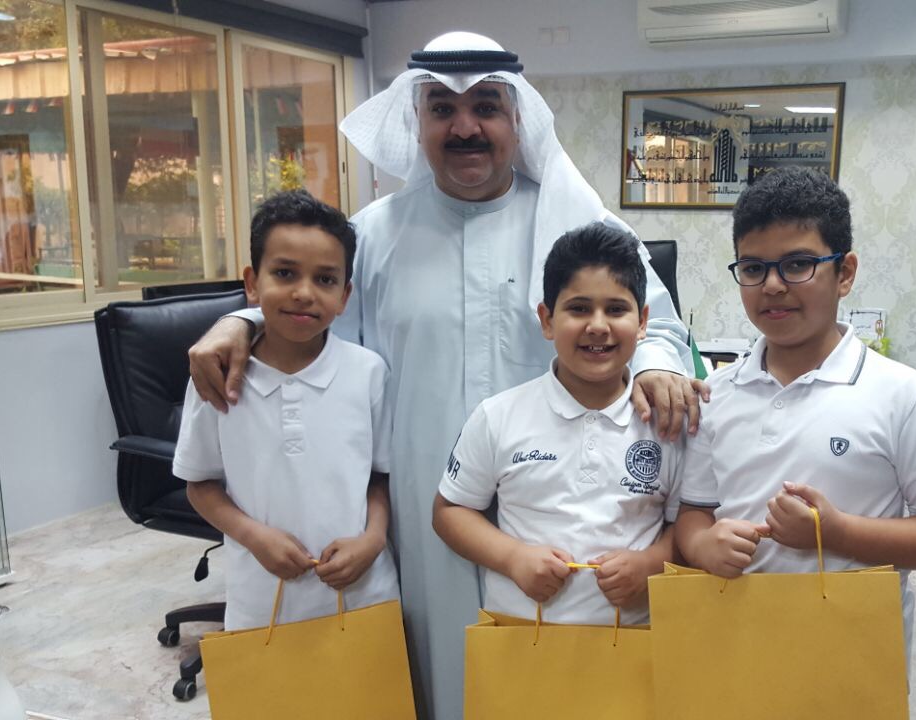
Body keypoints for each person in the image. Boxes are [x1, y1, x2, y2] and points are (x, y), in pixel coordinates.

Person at [185, 32, 698, 720]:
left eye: (485, 106)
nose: (464, 127)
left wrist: (658, 366)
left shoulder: (575, 223)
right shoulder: (373, 235)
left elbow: (658, 326)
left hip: (564, 502)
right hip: (419, 500)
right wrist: (240, 322)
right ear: (416, 121)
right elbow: (305, 317)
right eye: (442, 109)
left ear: (517, 120)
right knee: (432, 667)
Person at [674, 167, 916, 655]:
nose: (772, 285)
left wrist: (838, 533)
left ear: (845, 273)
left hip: (850, 654)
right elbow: (695, 511)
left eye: (798, 264)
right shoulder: (717, 394)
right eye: (753, 268)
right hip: (736, 647)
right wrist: (700, 545)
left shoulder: (903, 395)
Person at [432, 223, 683, 628]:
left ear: (642, 322)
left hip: (635, 641)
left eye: (616, 309)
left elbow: (687, 521)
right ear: (547, 320)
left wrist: (652, 563)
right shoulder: (498, 416)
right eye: (579, 309)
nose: (597, 326)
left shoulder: (665, 423)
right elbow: (450, 511)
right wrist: (513, 558)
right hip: (521, 639)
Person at [172, 190, 399, 634]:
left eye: (325, 279)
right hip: (262, 599)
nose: (303, 293)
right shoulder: (216, 377)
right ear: (252, 283)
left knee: (369, 681)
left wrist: (373, 540)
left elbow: (380, 476)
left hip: (364, 593)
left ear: (345, 296)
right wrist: (254, 536)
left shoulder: (368, 373)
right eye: (284, 273)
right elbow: (199, 483)